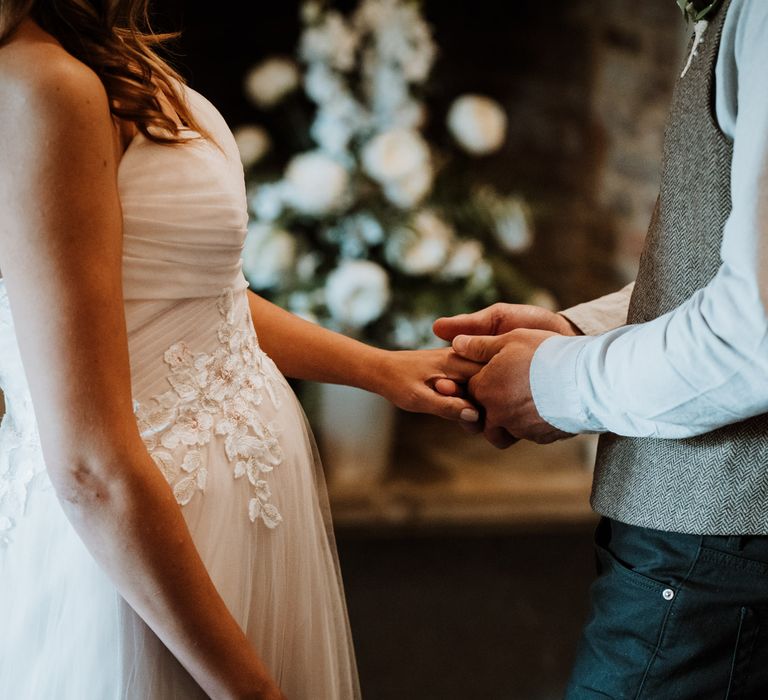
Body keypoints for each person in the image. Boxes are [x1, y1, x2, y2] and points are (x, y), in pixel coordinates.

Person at [0, 3, 483, 698]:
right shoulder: (38, 86)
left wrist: (381, 370)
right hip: (147, 550)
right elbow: (90, 466)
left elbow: (192, 295)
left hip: (236, 514)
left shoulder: (95, 47)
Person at [436, 0, 768, 696]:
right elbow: (736, 269)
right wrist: (578, 333)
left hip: (719, 552)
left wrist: (552, 384)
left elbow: (756, 337)